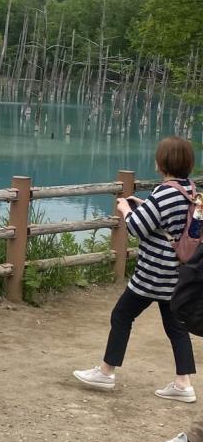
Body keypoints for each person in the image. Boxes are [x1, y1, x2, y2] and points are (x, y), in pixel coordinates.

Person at [74, 136, 197, 404]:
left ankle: (106, 372)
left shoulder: (164, 191)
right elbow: (168, 221)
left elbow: (137, 227)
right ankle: (184, 383)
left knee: (121, 315)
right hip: (176, 272)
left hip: (154, 273)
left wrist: (124, 209)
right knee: (176, 326)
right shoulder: (190, 189)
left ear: (163, 161)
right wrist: (142, 206)